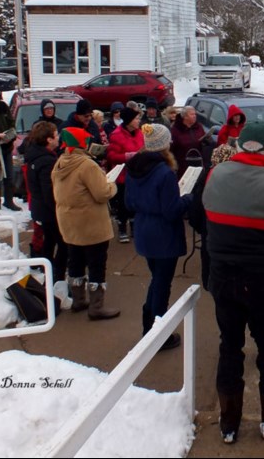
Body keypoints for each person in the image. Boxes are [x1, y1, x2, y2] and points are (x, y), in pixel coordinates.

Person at [202, 122, 264, 444]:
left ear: (240, 145)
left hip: (223, 275)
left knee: (230, 345)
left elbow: (205, 217)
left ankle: (229, 422)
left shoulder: (215, 175)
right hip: (262, 278)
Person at [126, 124, 192, 351]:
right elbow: (172, 210)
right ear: (163, 144)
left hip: (144, 230)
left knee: (157, 281)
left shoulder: (134, 166)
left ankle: (149, 328)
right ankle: (157, 334)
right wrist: (188, 199)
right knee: (162, 284)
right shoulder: (164, 172)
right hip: (163, 234)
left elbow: (127, 203)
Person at [51, 127, 120, 320]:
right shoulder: (87, 165)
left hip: (69, 222)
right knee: (97, 263)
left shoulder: (60, 163)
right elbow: (102, 194)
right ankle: (97, 307)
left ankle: (79, 300)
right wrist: (111, 185)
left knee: (76, 260)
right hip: (91, 223)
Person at [187, 143, 238, 291]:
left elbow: (195, 208)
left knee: (209, 257)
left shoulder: (205, 176)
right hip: (227, 233)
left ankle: (209, 283)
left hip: (207, 229)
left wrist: (200, 226)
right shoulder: (234, 180)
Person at [24, 121, 67, 287]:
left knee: (49, 242)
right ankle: (57, 278)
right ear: (48, 139)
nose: (58, 138)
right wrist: (58, 209)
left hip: (40, 209)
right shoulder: (46, 161)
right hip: (49, 211)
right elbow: (48, 191)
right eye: (56, 135)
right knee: (63, 245)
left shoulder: (35, 155)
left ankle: (49, 275)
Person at [106, 107, 144, 242]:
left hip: (138, 173)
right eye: (136, 118)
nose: (139, 120)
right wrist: (128, 156)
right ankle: (122, 228)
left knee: (135, 202)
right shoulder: (116, 135)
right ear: (129, 121)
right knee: (123, 203)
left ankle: (135, 227)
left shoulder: (140, 133)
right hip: (123, 175)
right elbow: (111, 156)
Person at [0, 89, 21, 211]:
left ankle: (9, 200)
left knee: (9, 176)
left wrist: (11, 134)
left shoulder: (3, 107)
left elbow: (11, 122)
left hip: (7, 146)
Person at [170, 106, 208, 179]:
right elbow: (171, 150)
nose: (195, 116)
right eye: (192, 114)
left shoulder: (198, 127)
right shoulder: (175, 130)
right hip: (183, 167)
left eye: (195, 114)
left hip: (198, 164)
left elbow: (203, 141)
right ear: (185, 117)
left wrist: (207, 142)